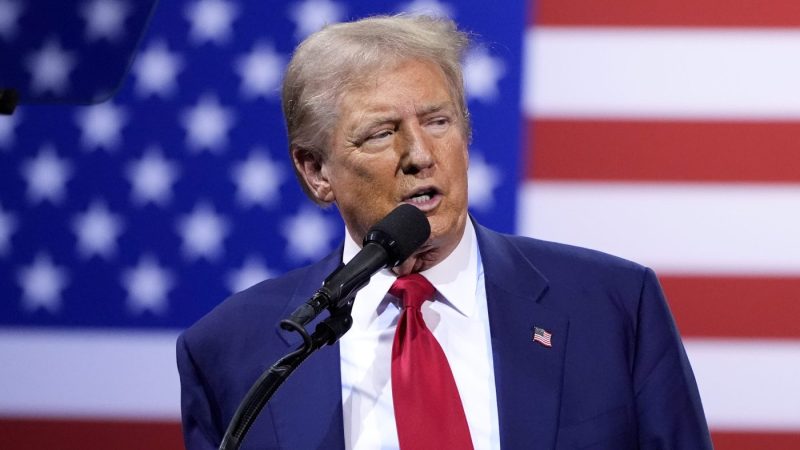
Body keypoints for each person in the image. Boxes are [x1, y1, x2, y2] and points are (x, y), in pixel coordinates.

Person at [177, 15, 713, 450]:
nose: (420, 155)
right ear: (317, 172)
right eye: (382, 133)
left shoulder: (611, 305)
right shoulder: (234, 352)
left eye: (438, 121)